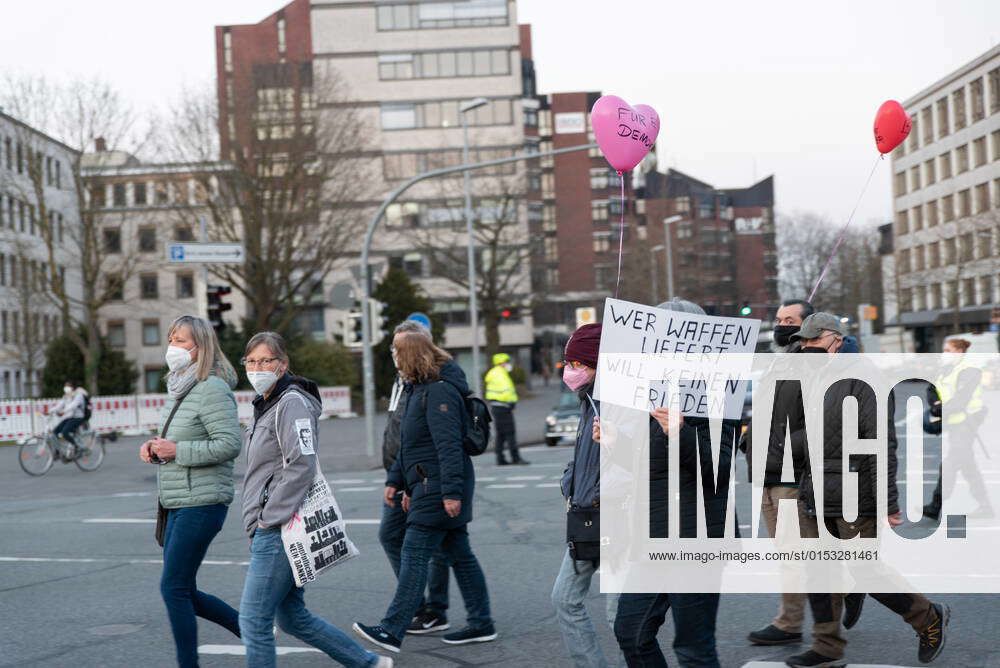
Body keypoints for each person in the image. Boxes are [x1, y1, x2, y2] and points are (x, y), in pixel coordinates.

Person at [784, 313, 950, 668]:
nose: (806, 346)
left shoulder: (863, 378)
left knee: (865, 571)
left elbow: (881, 444)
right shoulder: (814, 375)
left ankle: (927, 617)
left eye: (813, 340)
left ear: (836, 339)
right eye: (804, 341)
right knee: (819, 572)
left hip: (855, 494)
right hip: (815, 492)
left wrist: (888, 502)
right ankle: (827, 648)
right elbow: (815, 435)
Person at [238, 331, 391, 668]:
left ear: (283, 364)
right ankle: (368, 663)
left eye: (266, 360)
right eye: (251, 361)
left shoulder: (290, 403)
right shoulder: (266, 403)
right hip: (268, 525)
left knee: (253, 620)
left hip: (279, 528)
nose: (257, 367)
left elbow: (302, 464)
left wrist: (268, 516)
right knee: (291, 618)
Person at [612, 299, 737, 668]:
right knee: (630, 632)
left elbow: (718, 467)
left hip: (696, 539)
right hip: (653, 536)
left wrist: (679, 430)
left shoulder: (716, 391)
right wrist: (617, 446)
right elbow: (649, 467)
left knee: (693, 649)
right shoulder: (653, 392)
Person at [354, 331, 496, 653]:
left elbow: (448, 447)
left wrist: (451, 493)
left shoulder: (439, 391)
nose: (393, 355)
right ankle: (481, 622)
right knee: (459, 554)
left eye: (396, 350)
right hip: (427, 482)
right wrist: (398, 482)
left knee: (415, 553)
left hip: (437, 486)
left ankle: (392, 629)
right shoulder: (419, 389)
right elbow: (411, 445)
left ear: (412, 355)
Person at [139, 315, 243, 668]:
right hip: (177, 501)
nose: (173, 346)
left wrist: (176, 451)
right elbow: (181, 438)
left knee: (173, 589)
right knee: (184, 590)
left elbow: (229, 444)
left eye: (181, 340)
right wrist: (155, 447)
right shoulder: (180, 386)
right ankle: (253, 629)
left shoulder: (212, 387)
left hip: (202, 502)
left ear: (201, 346)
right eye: (171, 338)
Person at [551, 322, 622, 668]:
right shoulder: (587, 399)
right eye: (568, 363)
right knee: (564, 599)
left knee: (621, 618)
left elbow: (641, 458)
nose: (570, 371)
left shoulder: (619, 399)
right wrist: (571, 484)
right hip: (585, 515)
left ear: (598, 362)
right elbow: (582, 457)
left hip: (618, 519)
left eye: (578, 364)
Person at [746, 299, 815, 646]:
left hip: (790, 475)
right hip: (765, 474)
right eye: (778, 319)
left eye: (789, 319)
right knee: (789, 553)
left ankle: (789, 623)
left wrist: (784, 448)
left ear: (807, 325)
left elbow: (820, 421)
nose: (781, 325)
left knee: (792, 554)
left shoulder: (812, 364)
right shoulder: (778, 363)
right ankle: (846, 588)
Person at [379, 321, 452, 635]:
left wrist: (409, 481)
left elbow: (437, 440)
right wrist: (394, 477)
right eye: (393, 347)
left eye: (399, 348)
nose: (394, 354)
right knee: (392, 536)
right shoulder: (402, 381)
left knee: (433, 546)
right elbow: (401, 431)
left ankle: (432, 611)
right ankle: (421, 608)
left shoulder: (431, 382)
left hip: (421, 479)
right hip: (401, 473)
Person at [923, 337, 991, 520]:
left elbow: (962, 400)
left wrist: (939, 409)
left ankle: (934, 506)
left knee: (950, 465)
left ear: (959, 351)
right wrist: (936, 405)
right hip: (954, 423)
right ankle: (986, 507)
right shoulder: (946, 369)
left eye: (948, 350)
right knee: (969, 467)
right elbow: (931, 389)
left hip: (966, 424)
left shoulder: (969, 370)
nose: (944, 354)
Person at [485, 352, 528, 465]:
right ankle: (516, 458)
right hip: (504, 407)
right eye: (507, 362)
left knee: (501, 434)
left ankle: (500, 458)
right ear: (501, 363)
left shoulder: (494, 373)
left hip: (497, 407)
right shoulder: (500, 375)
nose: (509, 364)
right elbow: (506, 392)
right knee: (510, 433)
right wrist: (511, 402)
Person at [52, 380, 87, 455]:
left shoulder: (79, 395)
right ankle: (57, 452)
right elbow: (59, 406)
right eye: (65, 386)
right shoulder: (66, 396)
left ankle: (77, 447)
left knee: (65, 432)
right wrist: (49, 411)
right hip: (69, 418)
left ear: (72, 387)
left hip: (78, 418)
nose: (66, 388)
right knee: (55, 432)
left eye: (68, 386)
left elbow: (73, 405)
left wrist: (64, 411)